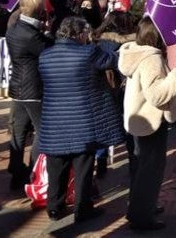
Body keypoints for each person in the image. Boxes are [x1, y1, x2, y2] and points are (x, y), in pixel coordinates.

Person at [38, 16, 125, 222]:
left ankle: (54, 207)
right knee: (83, 168)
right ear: (79, 34)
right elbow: (113, 60)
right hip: (82, 121)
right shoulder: (89, 53)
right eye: (86, 33)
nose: (88, 36)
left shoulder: (45, 55)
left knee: (56, 168)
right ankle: (82, 208)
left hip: (54, 121)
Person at [119, 16, 176, 230]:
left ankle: (140, 207)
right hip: (151, 121)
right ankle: (142, 217)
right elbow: (157, 95)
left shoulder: (136, 52)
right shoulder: (152, 58)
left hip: (139, 119)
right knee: (150, 171)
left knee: (142, 169)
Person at [5, 0, 54, 190]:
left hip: (17, 87)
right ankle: (35, 171)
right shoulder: (30, 35)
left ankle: (16, 171)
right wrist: (49, 34)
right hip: (33, 88)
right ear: (39, 12)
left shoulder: (15, 28)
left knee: (19, 132)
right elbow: (48, 50)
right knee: (42, 131)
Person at [91, 11, 136, 178]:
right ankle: (134, 162)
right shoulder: (130, 45)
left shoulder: (94, 42)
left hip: (100, 90)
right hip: (124, 91)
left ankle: (101, 161)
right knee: (130, 127)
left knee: (102, 124)